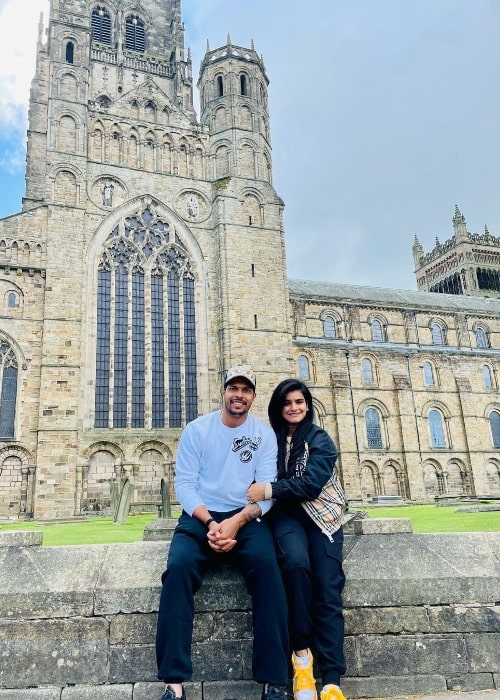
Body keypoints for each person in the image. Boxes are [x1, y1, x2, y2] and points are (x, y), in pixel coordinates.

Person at [156, 365, 289, 700]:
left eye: (246, 390)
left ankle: (274, 681)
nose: (239, 395)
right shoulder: (198, 430)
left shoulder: (264, 435)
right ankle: (174, 683)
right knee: (178, 570)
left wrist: (237, 522)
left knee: (269, 570)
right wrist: (211, 523)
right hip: (200, 515)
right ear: (224, 392)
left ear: (253, 397)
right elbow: (185, 485)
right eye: (234, 388)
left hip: (244, 516)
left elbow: (265, 492)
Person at [247, 379, 347, 700]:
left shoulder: (320, 440)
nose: (294, 408)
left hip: (322, 517)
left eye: (300, 402)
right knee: (295, 566)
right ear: (279, 407)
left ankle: (331, 680)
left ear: (308, 405)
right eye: (288, 402)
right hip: (287, 516)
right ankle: (302, 661)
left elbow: (311, 484)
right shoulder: (269, 440)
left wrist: (270, 489)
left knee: (327, 586)